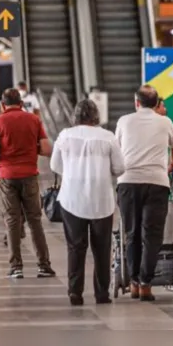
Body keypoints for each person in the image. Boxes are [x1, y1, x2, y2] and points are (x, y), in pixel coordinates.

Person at [50, 99, 125, 306]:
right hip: (101, 200)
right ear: (96, 116)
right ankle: (102, 294)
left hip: (72, 199)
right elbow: (120, 168)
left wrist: (74, 173)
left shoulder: (65, 135)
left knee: (75, 247)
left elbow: (54, 164)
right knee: (102, 249)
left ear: (76, 116)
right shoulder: (108, 137)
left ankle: (75, 293)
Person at [115, 85, 173, 301]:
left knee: (131, 233)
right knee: (152, 235)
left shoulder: (124, 121)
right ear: (157, 103)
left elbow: (117, 148)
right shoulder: (165, 122)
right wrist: (171, 163)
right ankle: (145, 283)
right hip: (157, 183)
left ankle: (133, 281)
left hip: (128, 182)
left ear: (136, 102)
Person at [0, 89, 56, 279]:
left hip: (7, 177)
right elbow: (46, 149)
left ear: (3, 104)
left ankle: (16, 267)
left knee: (12, 221)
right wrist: (30, 149)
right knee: (35, 221)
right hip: (29, 175)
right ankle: (44, 265)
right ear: (21, 103)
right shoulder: (33, 120)